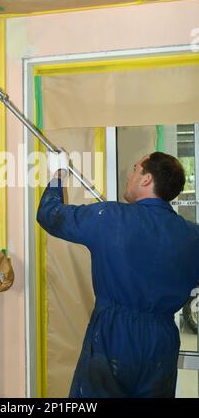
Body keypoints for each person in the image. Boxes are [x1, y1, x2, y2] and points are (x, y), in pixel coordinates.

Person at [37, 151, 199, 398]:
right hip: (162, 343)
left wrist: (59, 175)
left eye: (135, 168)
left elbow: (50, 214)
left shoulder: (111, 217)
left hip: (114, 337)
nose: (129, 175)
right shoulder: (192, 236)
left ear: (146, 179)